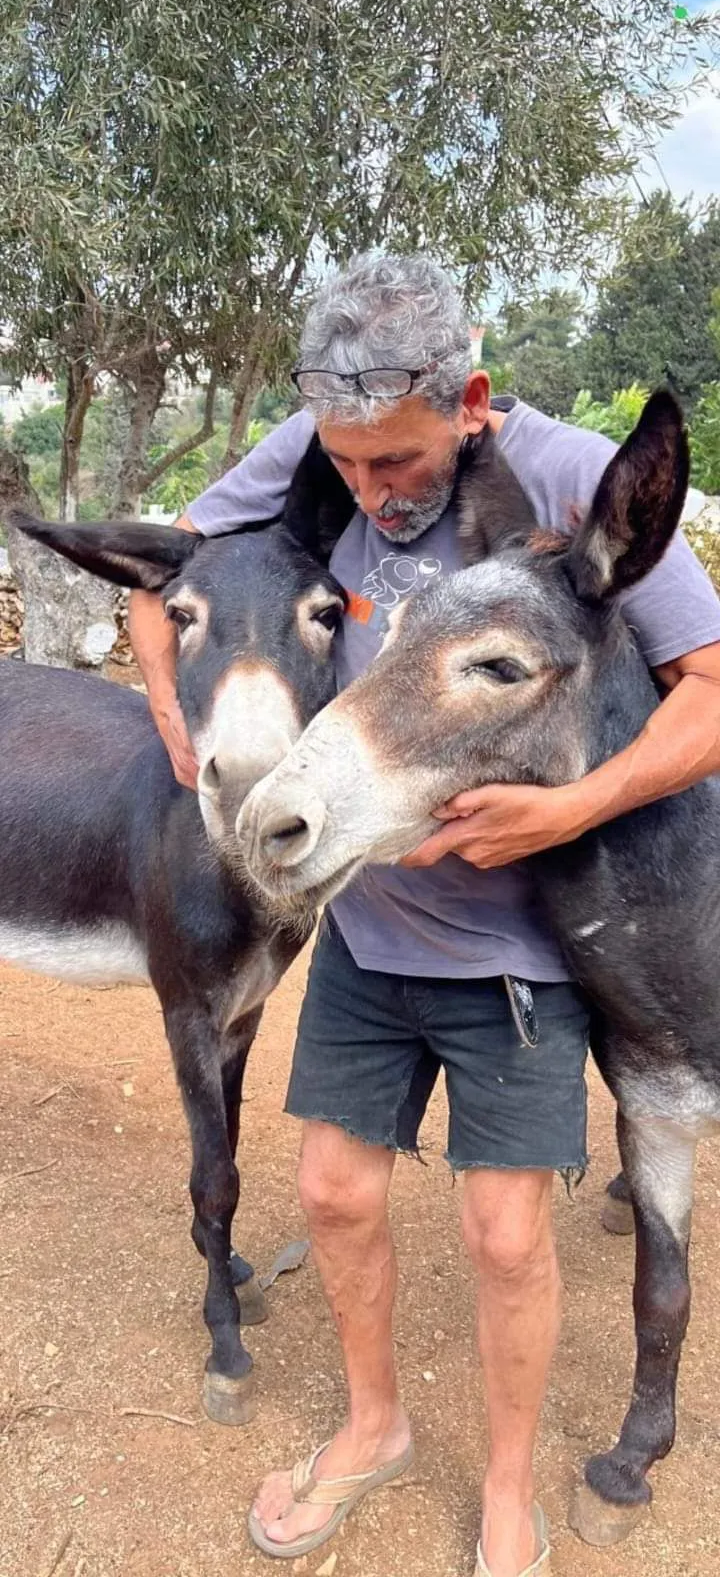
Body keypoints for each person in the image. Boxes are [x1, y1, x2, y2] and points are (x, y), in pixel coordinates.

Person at [129, 255, 720, 1577]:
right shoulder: (318, 450)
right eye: (347, 464)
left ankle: (505, 1487)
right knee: (336, 1194)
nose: (368, 491)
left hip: (521, 948)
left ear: (470, 400)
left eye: (396, 461)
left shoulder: (570, 479)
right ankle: (374, 1428)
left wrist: (571, 812)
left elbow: (712, 691)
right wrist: (178, 722)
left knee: (507, 1235)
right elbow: (169, 576)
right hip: (367, 925)